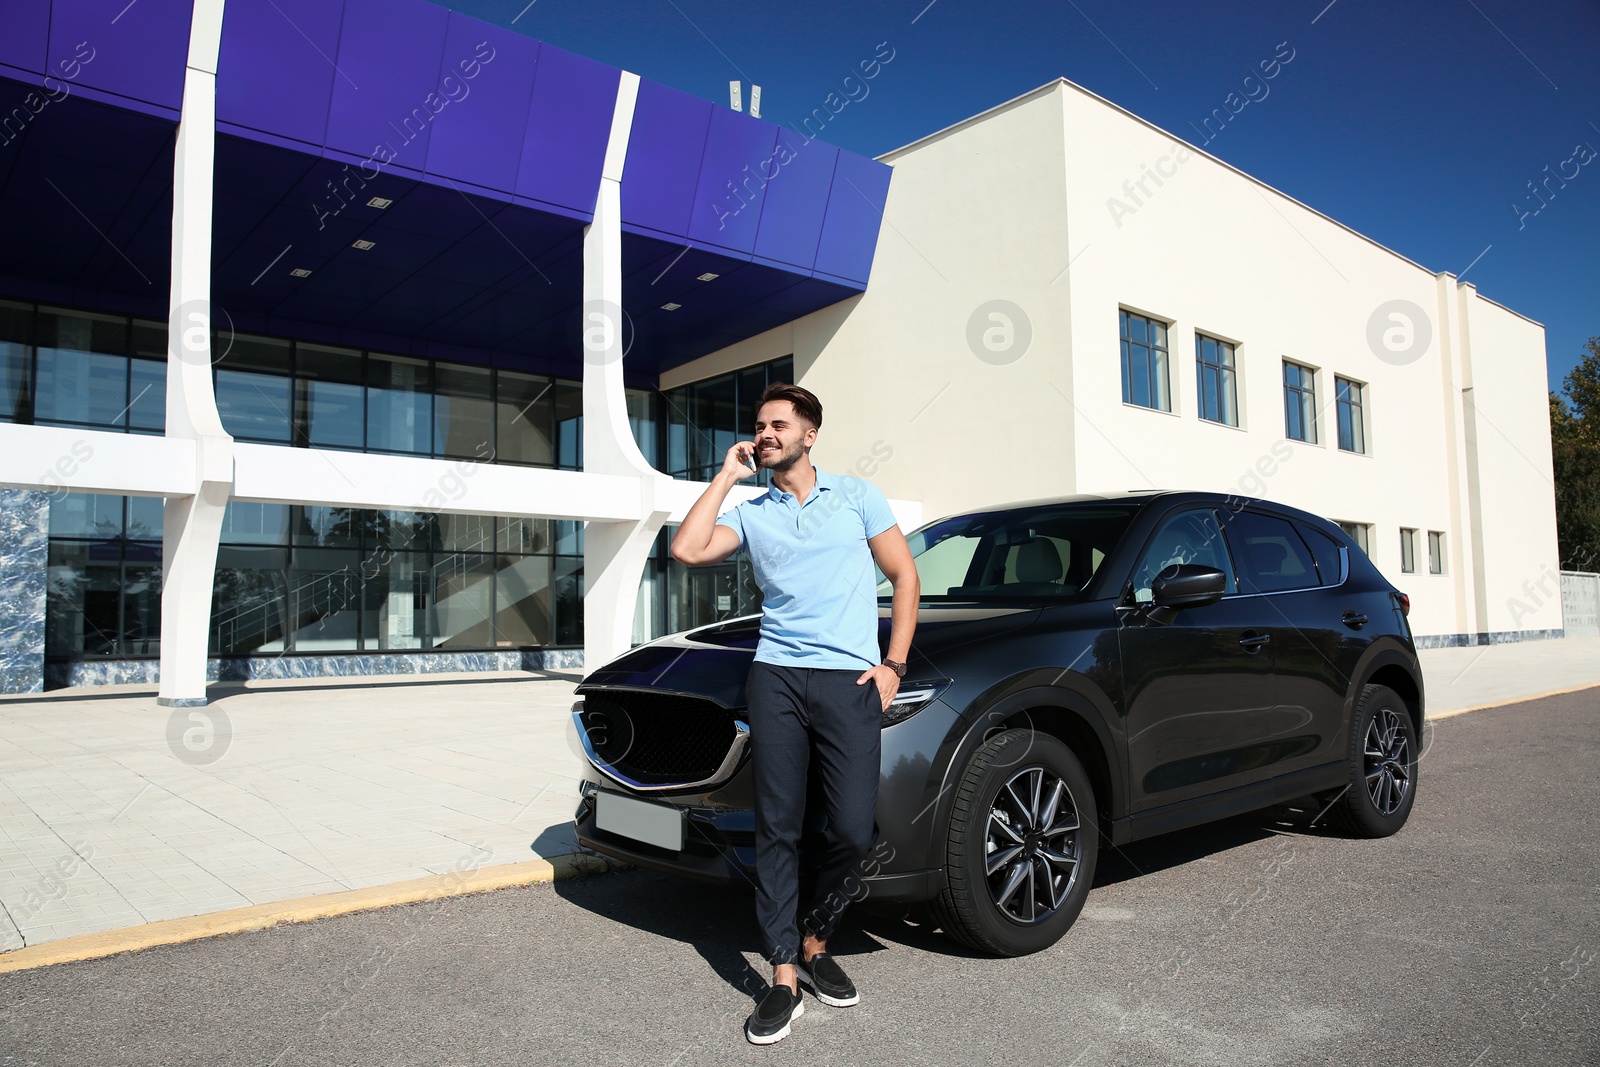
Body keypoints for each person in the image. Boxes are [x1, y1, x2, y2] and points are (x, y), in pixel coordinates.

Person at [670, 383, 919, 1045]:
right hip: (777, 676)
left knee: (850, 828)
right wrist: (726, 475)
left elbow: (904, 576)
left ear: (810, 434)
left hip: (849, 680)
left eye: (779, 424)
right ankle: (783, 973)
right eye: (760, 425)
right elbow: (688, 549)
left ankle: (815, 938)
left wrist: (893, 664)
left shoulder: (857, 497)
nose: (767, 432)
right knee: (777, 827)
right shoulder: (754, 512)